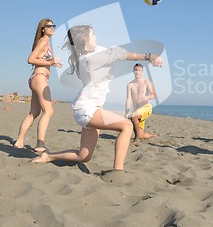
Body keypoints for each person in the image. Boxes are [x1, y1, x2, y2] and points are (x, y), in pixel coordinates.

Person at [31, 25, 163, 171]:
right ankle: (117, 171)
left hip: (91, 109)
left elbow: (113, 52)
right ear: (85, 41)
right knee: (127, 126)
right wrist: (150, 56)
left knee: (84, 156)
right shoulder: (90, 59)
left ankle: (48, 156)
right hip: (87, 111)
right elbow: (119, 53)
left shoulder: (92, 52)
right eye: (93, 35)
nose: (96, 37)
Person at [13, 19, 62, 152]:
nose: (52, 28)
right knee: (49, 111)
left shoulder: (47, 42)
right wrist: (50, 63)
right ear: (42, 29)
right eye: (49, 26)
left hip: (38, 78)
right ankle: (40, 143)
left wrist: (52, 63)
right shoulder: (43, 41)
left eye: (53, 26)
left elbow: (42, 60)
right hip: (39, 78)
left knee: (34, 113)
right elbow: (30, 59)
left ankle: (19, 141)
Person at [125, 63, 157, 142]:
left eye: (139, 70)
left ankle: (136, 138)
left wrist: (147, 97)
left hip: (146, 107)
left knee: (134, 117)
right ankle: (151, 136)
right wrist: (127, 112)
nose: (137, 72)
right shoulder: (130, 85)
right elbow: (128, 99)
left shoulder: (146, 82)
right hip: (136, 109)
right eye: (136, 70)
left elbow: (154, 95)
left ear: (142, 72)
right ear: (133, 71)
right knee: (141, 134)